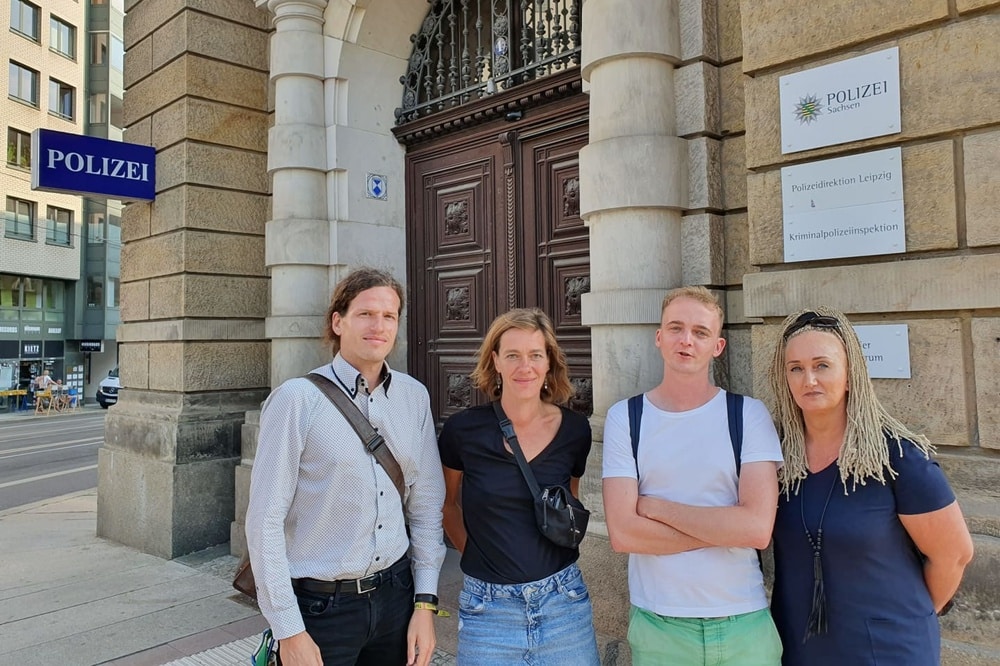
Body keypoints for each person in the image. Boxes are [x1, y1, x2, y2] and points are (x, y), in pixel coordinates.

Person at [245, 267, 446, 666]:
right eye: (366, 314)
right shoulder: (297, 400)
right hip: (321, 609)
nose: (379, 325)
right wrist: (289, 630)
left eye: (389, 316)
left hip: (397, 598)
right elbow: (264, 520)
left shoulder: (413, 396)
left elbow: (425, 508)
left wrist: (425, 604)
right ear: (338, 322)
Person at [767, 308, 974, 666]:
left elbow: (954, 555)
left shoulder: (898, 459)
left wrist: (902, 619)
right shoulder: (775, 461)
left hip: (888, 650)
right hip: (801, 648)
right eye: (796, 368)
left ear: (850, 374)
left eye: (822, 365)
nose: (808, 380)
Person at [602, 286, 784, 666]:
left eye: (700, 332)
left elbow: (755, 529)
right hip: (659, 624)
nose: (687, 340)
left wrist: (655, 508)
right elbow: (624, 534)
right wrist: (721, 528)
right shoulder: (626, 418)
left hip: (743, 623)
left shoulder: (747, 415)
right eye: (675, 328)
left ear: (717, 346)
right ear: (659, 337)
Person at [439, 308, 600, 666]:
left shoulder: (575, 431)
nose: (523, 366)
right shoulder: (462, 431)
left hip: (564, 605)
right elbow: (448, 505)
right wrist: (481, 555)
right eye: (512, 355)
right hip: (488, 611)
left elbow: (568, 500)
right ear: (495, 361)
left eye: (534, 355)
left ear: (548, 364)